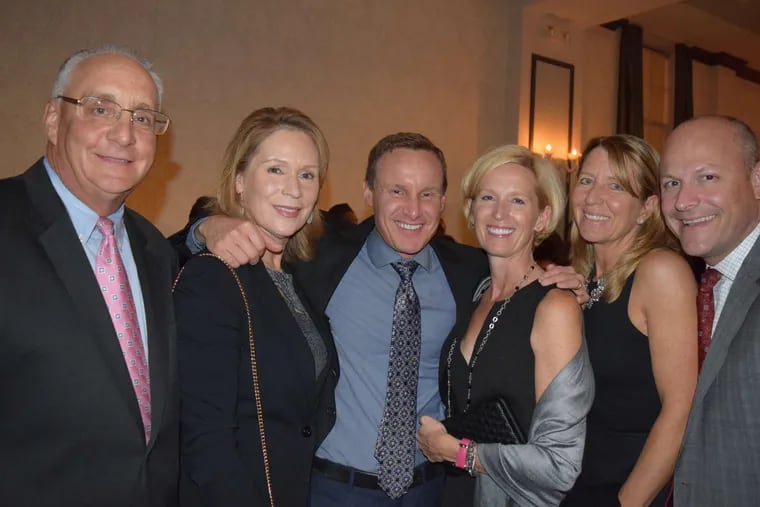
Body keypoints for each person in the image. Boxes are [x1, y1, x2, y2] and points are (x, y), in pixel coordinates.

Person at [185, 132, 588, 506]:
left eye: (427, 193)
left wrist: (567, 283)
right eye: (397, 191)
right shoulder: (319, 255)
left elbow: (520, 283)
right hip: (332, 488)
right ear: (368, 193)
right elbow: (181, 256)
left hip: (433, 489)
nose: (413, 208)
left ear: (445, 201)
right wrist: (207, 227)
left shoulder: (470, 272)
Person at [0, 46, 179, 506]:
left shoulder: (155, 251)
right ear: (53, 120)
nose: (124, 135)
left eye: (142, 118)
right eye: (101, 109)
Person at [174, 107, 338, 506]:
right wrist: (202, 228)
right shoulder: (212, 279)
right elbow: (205, 440)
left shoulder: (298, 280)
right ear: (240, 181)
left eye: (307, 174)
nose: (294, 189)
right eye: (276, 170)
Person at [417, 145, 595, 507]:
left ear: (542, 218)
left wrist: (459, 453)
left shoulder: (554, 306)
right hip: (456, 495)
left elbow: (559, 465)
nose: (499, 213)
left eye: (517, 201)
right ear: (469, 210)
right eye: (487, 197)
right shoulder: (475, 291)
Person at [561, 135, 698, 506]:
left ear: (647, 207)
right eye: (587, 180)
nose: (593, 197)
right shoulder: (579, 279)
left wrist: (628, 501)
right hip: (572, 484)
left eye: (617, 186)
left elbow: (681, 408)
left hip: (626, 488)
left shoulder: (660, 271)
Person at [659, 115, 760, 506]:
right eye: (672, 184)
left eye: (708, 178)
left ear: (756, 180)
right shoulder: (693, 289)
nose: (683, 202)